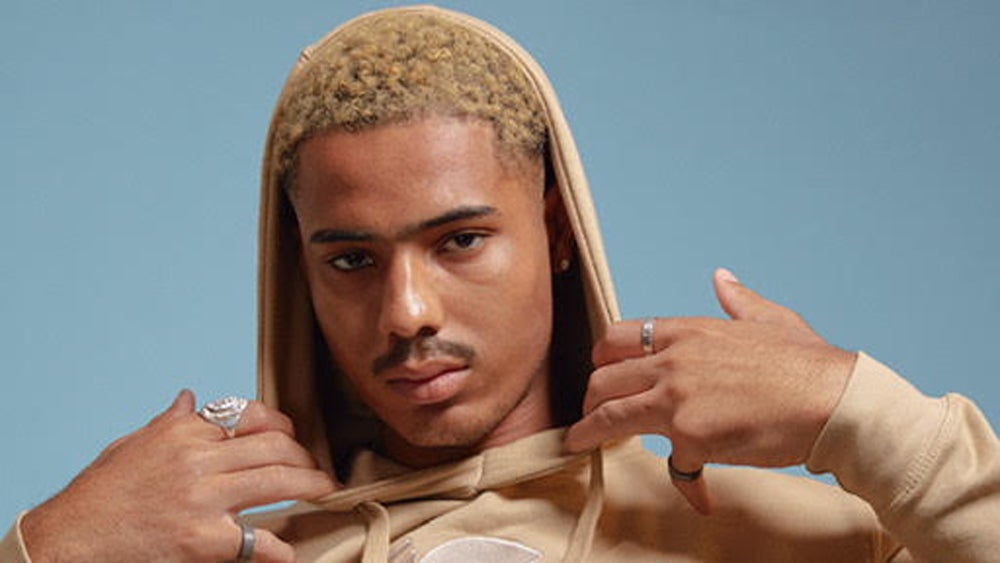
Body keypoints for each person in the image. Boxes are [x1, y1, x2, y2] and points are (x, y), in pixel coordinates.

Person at [3, 5, 998, 562]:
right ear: (299, 270)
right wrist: (43, 548)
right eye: (351, 259)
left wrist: (857, 410)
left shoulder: (803, 542)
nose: (407, 312)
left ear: (556, 232)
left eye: (460, 240)